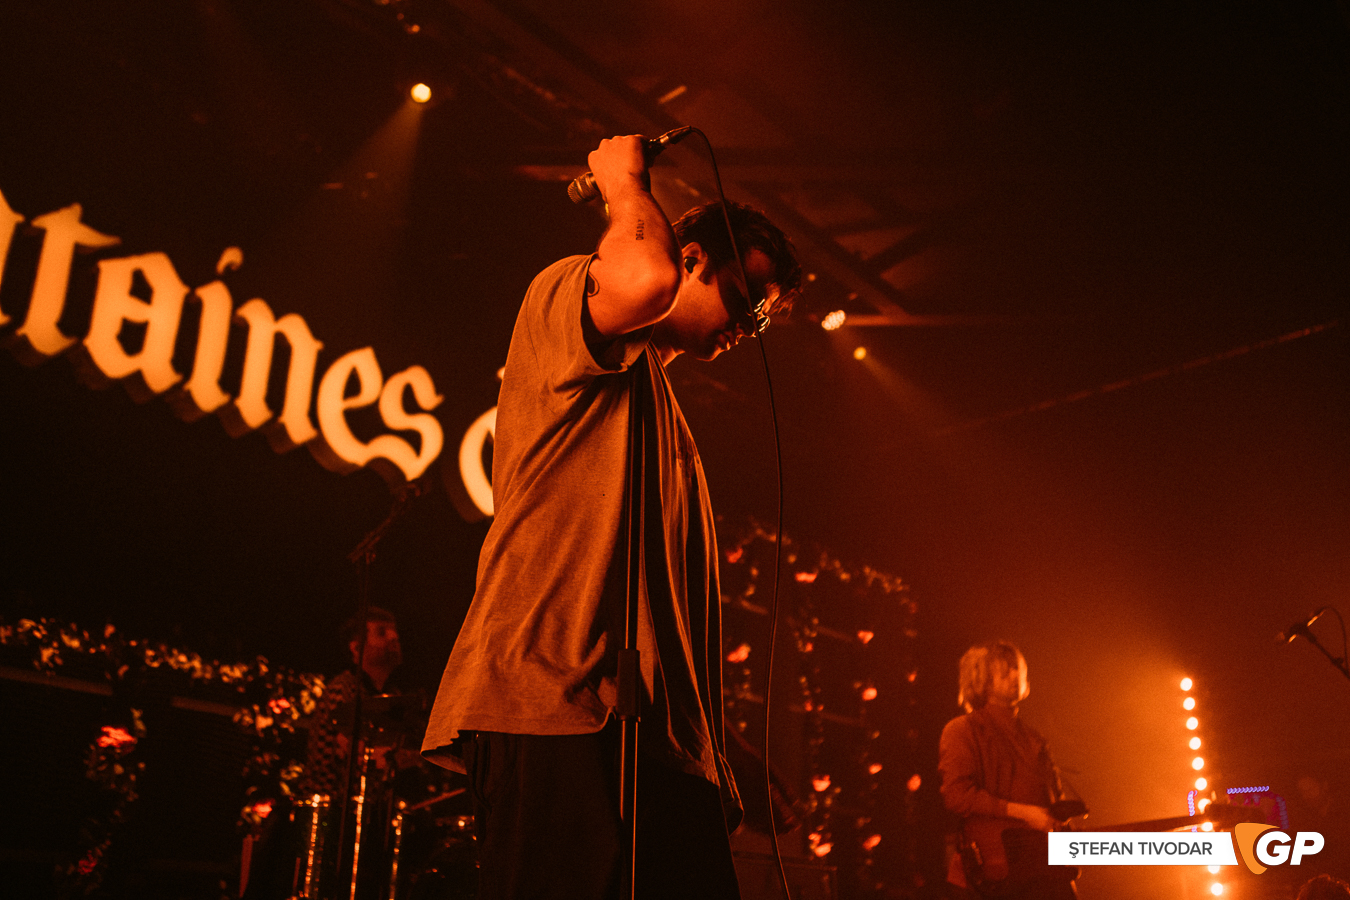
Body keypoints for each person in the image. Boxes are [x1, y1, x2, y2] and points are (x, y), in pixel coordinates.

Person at [421, 134, 801, 900]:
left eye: (761, 320)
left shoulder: (666, 419)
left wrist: (721, 752)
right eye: (744, 296)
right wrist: (623, 180)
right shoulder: (567, 295)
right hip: (550, 705)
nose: (747, 325)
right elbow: (642, 277)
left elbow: (656, 621)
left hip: (650, 740)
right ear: (692, 256)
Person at [938, 641, 1078, 899]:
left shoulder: (1035, 739)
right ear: (982, 678)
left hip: (1042, 868)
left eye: (1017, 668)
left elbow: (1053, 802)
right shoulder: (961, 730)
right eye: (1004, 670)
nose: (1015, 675)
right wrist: (1024, 814)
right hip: (993, 874)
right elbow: (957, 795)